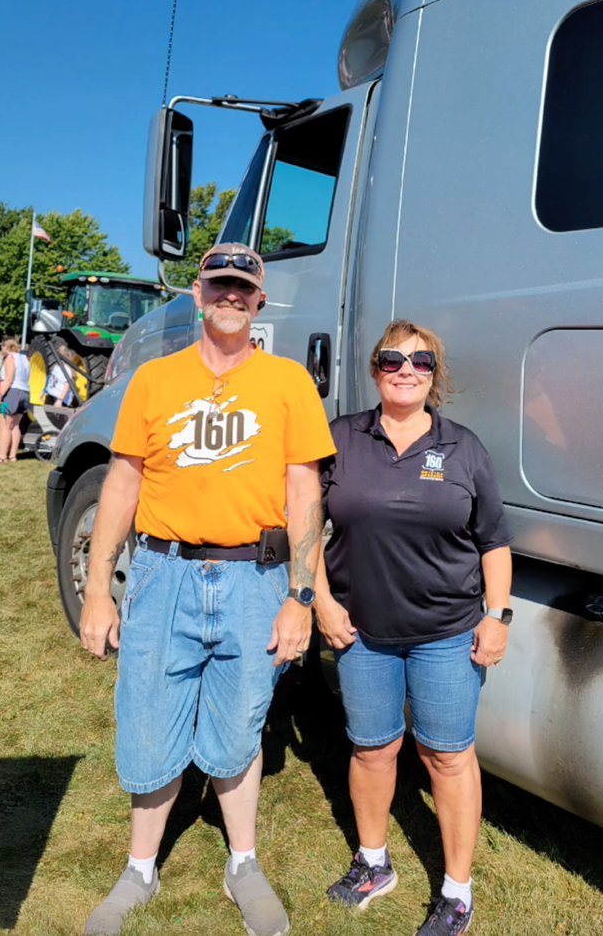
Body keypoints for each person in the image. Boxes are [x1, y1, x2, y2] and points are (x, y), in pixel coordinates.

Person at [80, 242, 335, 936]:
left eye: (242, 288)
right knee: (148, 715)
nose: (230, 296)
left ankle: (242, 864)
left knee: (241, 719)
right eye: (218, 284)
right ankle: (139, 870)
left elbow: (303, 493)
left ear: (259, 301)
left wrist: (300, 596)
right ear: (197, 295)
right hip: (164, 575)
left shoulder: (288, 382)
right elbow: (122, 484)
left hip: (255, 577)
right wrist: (99, 589)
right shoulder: (154, 380)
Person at [316, 319, 513, 935]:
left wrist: (497, 616)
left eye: (421, 361)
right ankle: (373, 863)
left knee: (447, 758)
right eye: (392, 359)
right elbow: (303, 525)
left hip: (448, 633)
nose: (406, 370)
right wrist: (320, 600)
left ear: (435, 375)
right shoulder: (341, 437)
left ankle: (456, 893)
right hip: (362, 633)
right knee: (372, 749)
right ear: (374, 368)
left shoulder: (464, 448)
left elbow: (494, 541)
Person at [0, 336, 30, 462]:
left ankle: (1, 456)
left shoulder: (10, 358)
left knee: (5, 426)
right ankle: (12, 456)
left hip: (12, 392)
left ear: (6, 347)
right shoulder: (24, 359)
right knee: (15, 425)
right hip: (25, 391)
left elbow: (8, 379)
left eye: (2, 347)